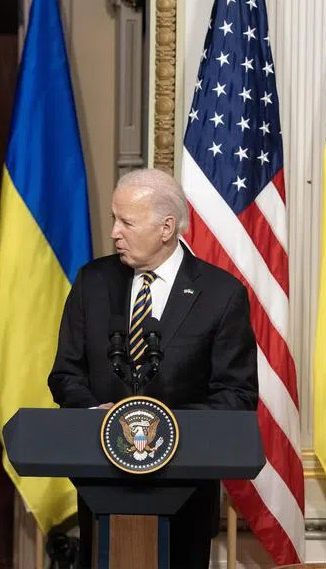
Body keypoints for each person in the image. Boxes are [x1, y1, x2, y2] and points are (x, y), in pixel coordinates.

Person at [48, 168, 257, 569]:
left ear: (166, 228)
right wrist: (101, 417)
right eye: (114, 218)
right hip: (103, 485)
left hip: (185, 491)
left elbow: (237, 395)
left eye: (126, 221)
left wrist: (157, 424)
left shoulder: (221, 294)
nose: (114, 232)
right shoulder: (93, 282)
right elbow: (65, 374)